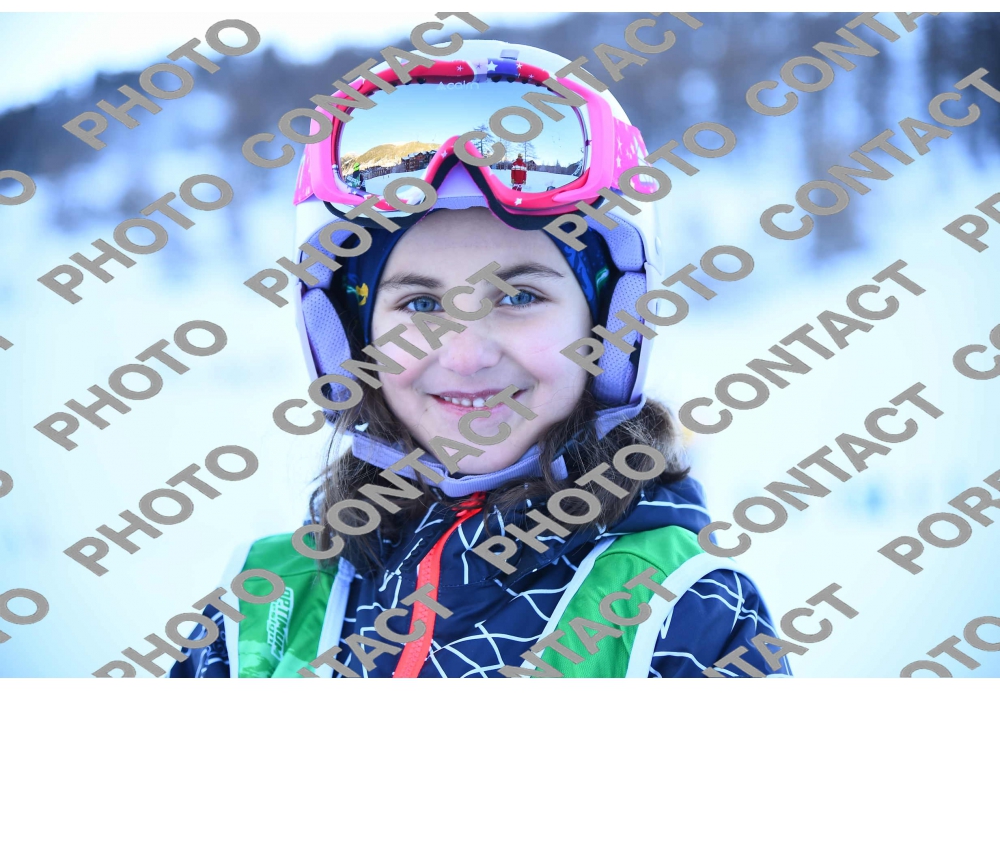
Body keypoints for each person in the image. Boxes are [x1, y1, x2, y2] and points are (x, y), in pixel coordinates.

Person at [172, 39, 790, 679]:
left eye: (519, 297)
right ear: (353, 341)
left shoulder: (684, 614)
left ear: (608, 324)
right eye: (419, 304)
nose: (465, 355)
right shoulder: (261, 607)